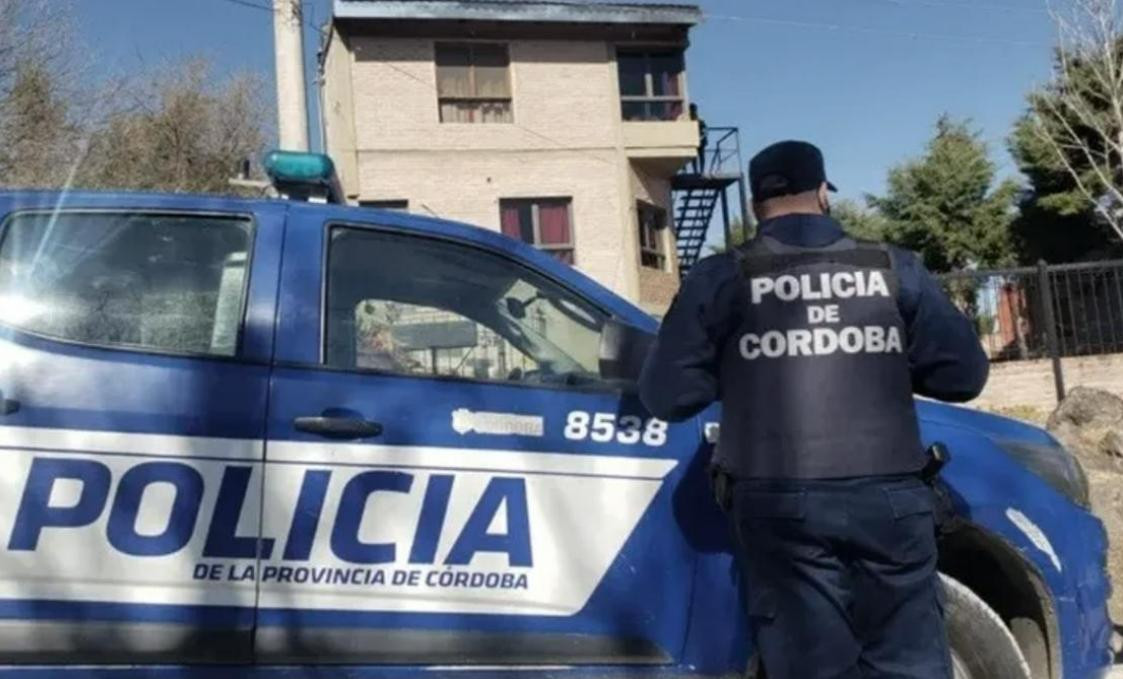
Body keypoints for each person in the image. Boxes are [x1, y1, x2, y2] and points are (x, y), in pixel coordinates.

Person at [639, 140, 988, 679]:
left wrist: (737, 363)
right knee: (910, 664)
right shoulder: (894, 269)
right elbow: (964, 377)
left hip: (779, 507)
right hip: (891, 500)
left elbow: (667, 396)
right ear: (823, 193)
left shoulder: (722, 278)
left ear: (757, 205)